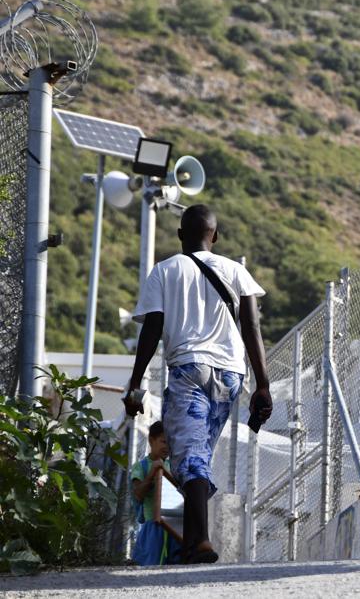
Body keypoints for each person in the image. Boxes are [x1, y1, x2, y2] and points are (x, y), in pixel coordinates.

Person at [124, 204, 273, 564]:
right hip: (230, 374)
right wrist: (263, 385)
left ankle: (202, 541)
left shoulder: (164, 271)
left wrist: (135, 382)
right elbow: (252, 328)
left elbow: (152, 329)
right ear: (215, 236)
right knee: (197, 457)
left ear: (179, 234)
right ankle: (191, 543)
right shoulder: (237, 271)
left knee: (189, 458)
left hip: (189, 370)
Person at [130, 421, 182, 565]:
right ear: (151, 441)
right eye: (164, 442)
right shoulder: (140, 467)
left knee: (175, 565)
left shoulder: (174, 466)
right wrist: (153, 472)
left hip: (174, 526)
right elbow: (138, 494)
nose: (167, 447)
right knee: (150, 563)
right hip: (153, 526)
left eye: (170, 443)